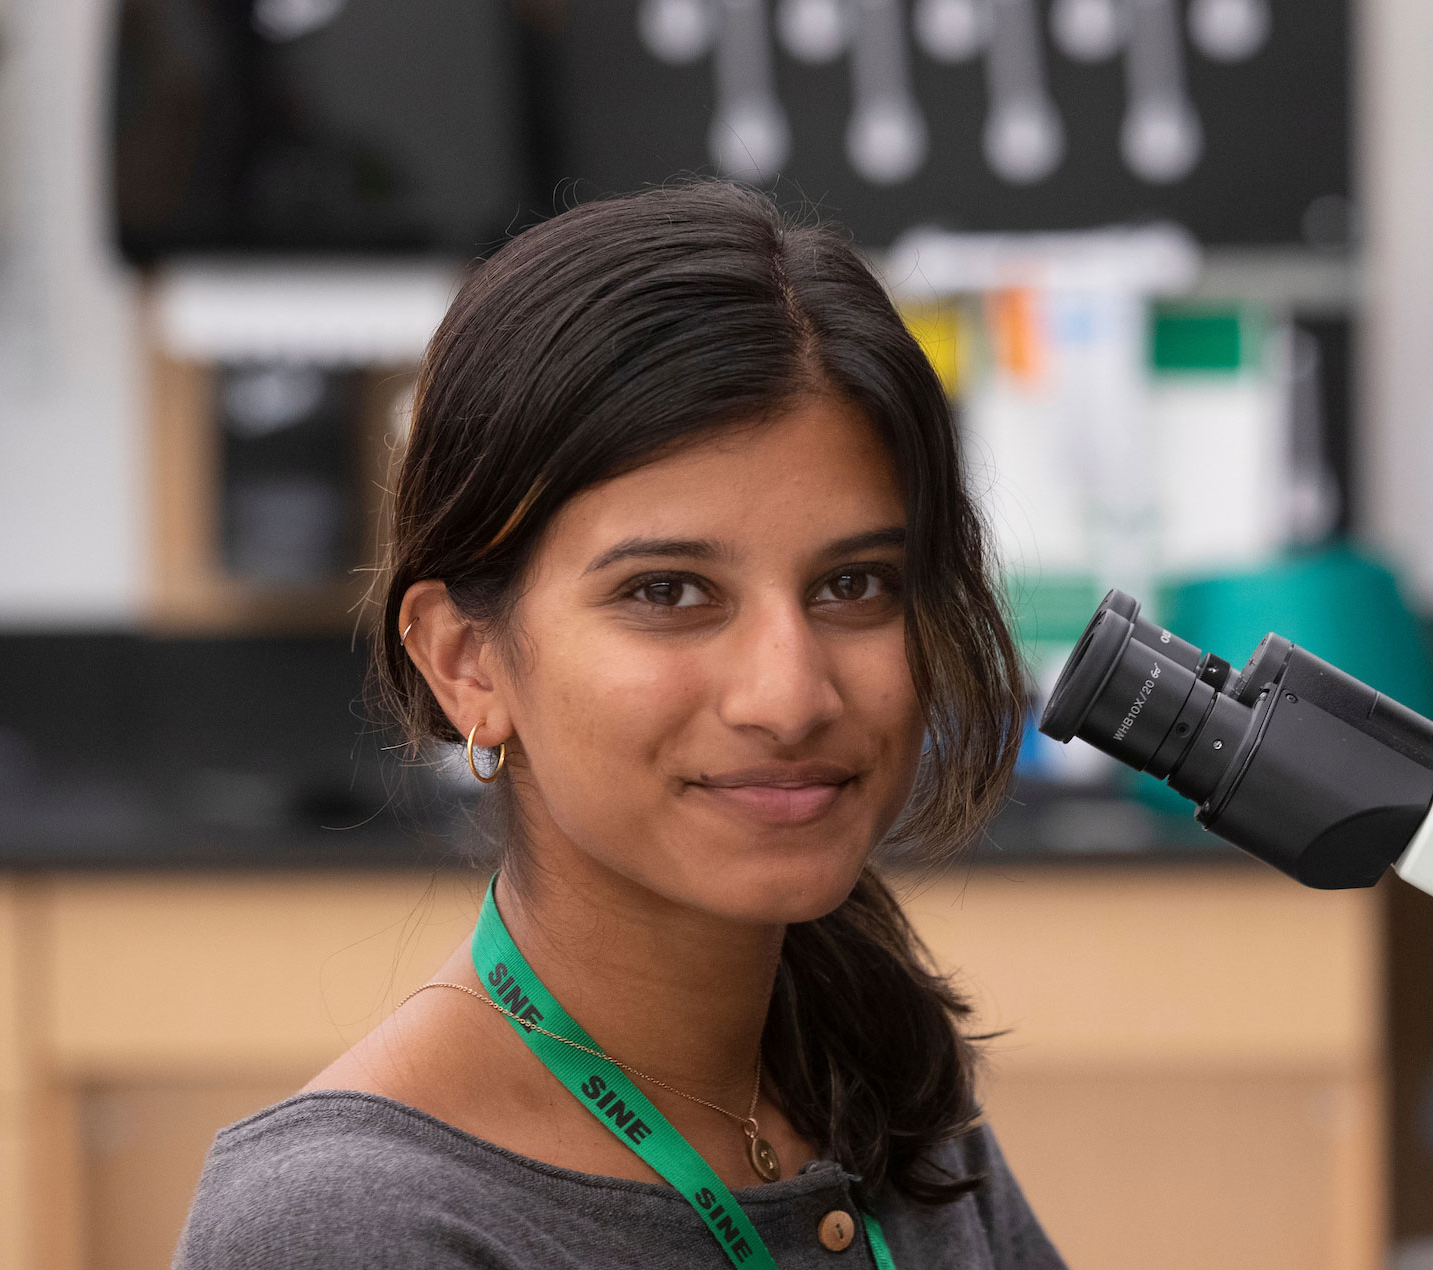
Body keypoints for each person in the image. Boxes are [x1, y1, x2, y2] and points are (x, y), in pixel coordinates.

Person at [174, 182, 1063, 1270]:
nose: (790, 696)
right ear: (468, 663)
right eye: (669, 592)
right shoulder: (352, 1228)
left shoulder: (879, 1092)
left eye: (855, 584)